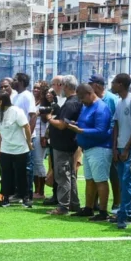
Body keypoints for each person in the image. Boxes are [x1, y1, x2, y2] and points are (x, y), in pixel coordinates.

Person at [65, 83, 113, 221]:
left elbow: (101, 131)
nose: (80, 101)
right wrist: (77, 124)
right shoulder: (87, 106)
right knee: (90, 180)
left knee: (101, 180)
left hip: (100, 148)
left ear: (90, 93)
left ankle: (103, 211)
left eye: (81, 97)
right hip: (89, 149)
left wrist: (80, 131)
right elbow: (87, 123)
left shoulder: (101, 108)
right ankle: (88, 208)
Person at [47, 75, 83, 215]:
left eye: (61, 85)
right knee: (70, 175)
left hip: (63, 145)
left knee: (63, 175)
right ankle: (73, 203)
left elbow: (62, 125)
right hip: (68, 143)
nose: (60, 88)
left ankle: (63, 206)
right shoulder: (74, 102)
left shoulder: (70, 103)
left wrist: (49, 118)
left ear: (66, 86)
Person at [0, 91, 33, 208]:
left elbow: (26, 126)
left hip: (20, 149)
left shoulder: (16, 111)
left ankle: (25, 197)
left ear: (1, 101)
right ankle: (5, 198)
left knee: (21, 174)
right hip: (6, 149)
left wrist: (28, 142)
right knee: (6, 174)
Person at [111, 73, 131, 228]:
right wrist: (115, 147)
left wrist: (128, 148)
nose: (112, 85)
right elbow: (116, 125)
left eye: (114, 82)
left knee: (127, 182)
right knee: (123, 183)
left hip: (130, 148)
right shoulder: (119, 102)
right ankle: (128, 213)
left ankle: (123, 216)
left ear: (120, 84)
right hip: (121, 147)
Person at [90, 74, 120, 212]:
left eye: (91, 84)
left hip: (110, 143)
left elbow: (117, 123)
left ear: (96, 85)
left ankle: (116, 203)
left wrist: (115, 144)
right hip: (95, 143)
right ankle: (94, 203)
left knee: (114, 175)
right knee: (96, 175)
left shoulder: (112, 99)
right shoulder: (92, 100)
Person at [12, 73, 37, 203]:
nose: (13, 81)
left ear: (21, 81)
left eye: (15, 79)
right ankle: (19, 193)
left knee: (27, 167)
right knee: (18, 167)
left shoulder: (27, 96)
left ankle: (27, 195)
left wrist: (29, 137)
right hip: (16, 138)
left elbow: (33, 116)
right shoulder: (16, 96)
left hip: (25, 138)